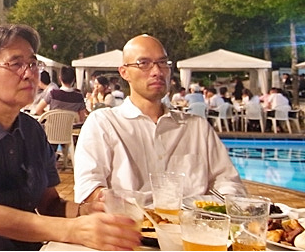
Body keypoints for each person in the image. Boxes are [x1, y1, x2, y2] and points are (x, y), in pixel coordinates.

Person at [0, 24, 142, 251]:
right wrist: (74, 230)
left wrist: (86, 211)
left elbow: (49, 204)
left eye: (32, 64)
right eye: (16, 64)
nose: (29, 73)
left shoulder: (32, 130)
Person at [74, 34, 246, 204]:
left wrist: (219, 207)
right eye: (144, 63)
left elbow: (228, 182)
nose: (157, 71)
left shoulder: (196, 127)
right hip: (130, 220)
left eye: (162, 63)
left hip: (194, 220)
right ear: (124, 72)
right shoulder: (104, 124)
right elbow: (88, 189)